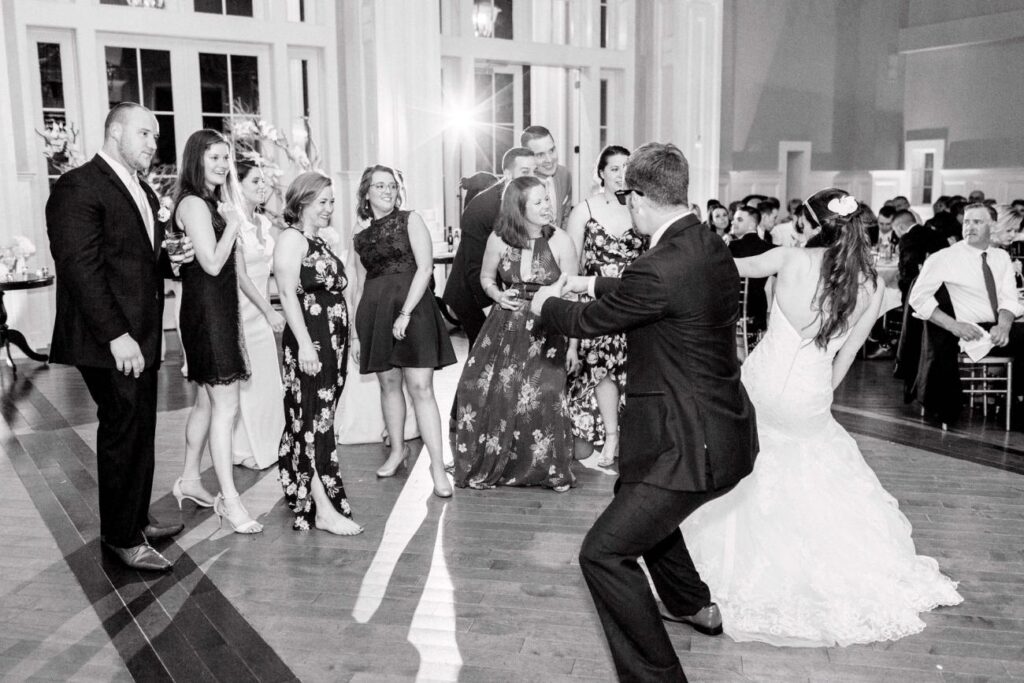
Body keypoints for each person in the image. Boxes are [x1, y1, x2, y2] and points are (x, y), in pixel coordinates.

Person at [682, 188, 963, 647]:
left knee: (747, 469)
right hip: (811, 391)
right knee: (812, 467)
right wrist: (816, 399)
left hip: (764, 384)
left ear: (810, 225)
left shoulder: (790, 259)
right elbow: (848, 355)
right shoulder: (872, 284)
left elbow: (726, 265)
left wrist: (690, 232)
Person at [532, 143, 759, 682]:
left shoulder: (658, 266)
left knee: (604, 554)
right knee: (634, 501)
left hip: (687, 445)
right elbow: (656, 292)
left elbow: (595, 321)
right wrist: (590, 281)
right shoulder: (707, 244)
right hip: (717, 430)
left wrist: (547, 304)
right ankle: (690, 603)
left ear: (636, 197)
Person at [46, 102, 191, 571]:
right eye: (146, 134)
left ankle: (136, 518)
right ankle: (121, 538)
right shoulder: (78, 186)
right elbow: (80, 269)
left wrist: (174, 258)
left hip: (141, 334)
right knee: (122, 430)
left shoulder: (141, 189)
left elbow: (143, 261)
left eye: (155, 136)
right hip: (108, 339)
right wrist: (117, 336)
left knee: (139, 428)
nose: (154, 144)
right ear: (114, 132)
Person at [453, 175, 579, 491]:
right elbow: (485, 278)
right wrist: (497, 295)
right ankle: (497, 463)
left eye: (546, 199)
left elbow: (574, 296)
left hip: (547, 327)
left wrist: (575, 346)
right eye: (537, 202)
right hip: (505, 326)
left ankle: (547, 469)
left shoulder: (561, 240)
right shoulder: (499, 239)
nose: (547, 206)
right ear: (518, 208)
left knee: (544, 394)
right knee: (483, 389)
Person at [173, 129, 262, 535]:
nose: (224, 165)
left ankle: (190, 480)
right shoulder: (193, 203)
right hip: (206, 315)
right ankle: (230, 500)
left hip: (219, 311)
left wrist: (228, 218)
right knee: (227, 409)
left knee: (209, 406)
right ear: (197, 160)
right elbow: (210, 264)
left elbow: (232, 270)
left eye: (226, 158)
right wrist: (230, 225)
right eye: (215, 158)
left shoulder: (213, 203)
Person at [353, 165, 456, 498]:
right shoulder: (360, 234)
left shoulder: (410, 219)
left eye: (391, 185)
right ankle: (397, 451)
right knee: (389, 384)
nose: (387, 190)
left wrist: (405, 313)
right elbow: (358, 284)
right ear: (366, 192)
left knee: (421, 387)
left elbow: (425, 269)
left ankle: (437, 466)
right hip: (375, 312)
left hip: (414, 310)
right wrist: (356, 334)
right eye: (379, 185)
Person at [275, 172, 363, 535]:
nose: (329, 208)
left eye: (331, 201)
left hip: (333, 342)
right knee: (311, 420)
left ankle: (299, 482)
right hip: (310, 341)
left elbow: (341, 291)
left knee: (315, 418)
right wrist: (306, 345)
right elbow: (287, 293)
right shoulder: (291, 240)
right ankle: (323, 509)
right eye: (323, 201)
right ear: (302, 202)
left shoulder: (320, 241)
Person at [564, 145, 645, 466]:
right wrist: (571, 336)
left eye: (627, 167)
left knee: (634, 372)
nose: (621, 174)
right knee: (601, 370)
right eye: (614, 168)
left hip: (635, 303)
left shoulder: (642, 208)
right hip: (596, 303)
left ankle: (631, 436)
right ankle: (610, 435)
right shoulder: (584, 210)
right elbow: (570, 270)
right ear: (600, 173)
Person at [443, 147, 537, 348]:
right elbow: (474, 266)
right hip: (471, 294)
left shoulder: (528, 200)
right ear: (508, 174)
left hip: (499, 289)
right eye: (525, 172)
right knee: (483, 353)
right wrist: (490, 312)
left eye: (534, 171)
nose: (532, 177)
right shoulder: (482, 208)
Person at [231, 157, 286, 469]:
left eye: (264, 180)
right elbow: (240, 275)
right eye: (255, 181)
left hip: (263, 312)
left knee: (266, 380)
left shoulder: (265, 223)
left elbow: (274, 268)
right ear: (237, 186)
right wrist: (269, 310)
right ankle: (245, 448)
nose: (263, 185)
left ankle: (271, 444)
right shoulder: (233, 222)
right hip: (242, 313)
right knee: (248, 383)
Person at [729, 204, 775, 336]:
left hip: (736, 311)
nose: (733, 221)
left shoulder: (732, 246)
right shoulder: (770, 248)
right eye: (734, 219)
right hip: (759, 310)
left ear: (752, 225)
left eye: (739, 219)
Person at [522, 125, 572, 228]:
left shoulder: (564, 175)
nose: (549, 160)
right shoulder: (519, 183)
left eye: (552, 150)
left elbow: (565, 217)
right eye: (540, 155)